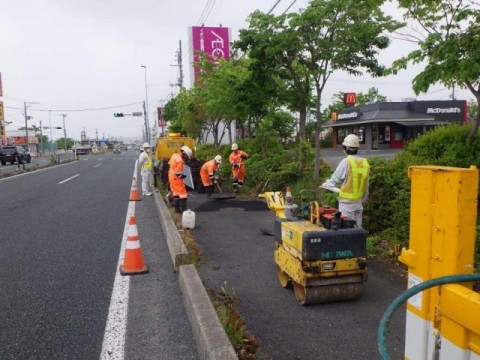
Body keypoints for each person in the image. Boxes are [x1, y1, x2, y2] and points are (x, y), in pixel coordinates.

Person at [320, 134, 370, 227]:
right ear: (357, 148)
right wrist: (362, 200)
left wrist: (326, 185)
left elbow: (333, 181)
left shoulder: (346, 162)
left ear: (345, 148)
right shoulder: (365, 162)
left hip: (347, 205)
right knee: (358, 231)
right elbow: (366, 185)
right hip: (358, 203)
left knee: (348, 231)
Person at [168, 145, 193, 213]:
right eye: (187, 156)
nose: (187, 158)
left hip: (171, 176)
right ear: (184, 154)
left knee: (176, 193)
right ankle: (183, 210)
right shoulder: (180, 161)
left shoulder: (174, 155)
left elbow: (170, 164)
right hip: (176, 178)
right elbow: (178, 173)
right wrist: (184, 177)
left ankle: (177, 209)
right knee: (183, 194)